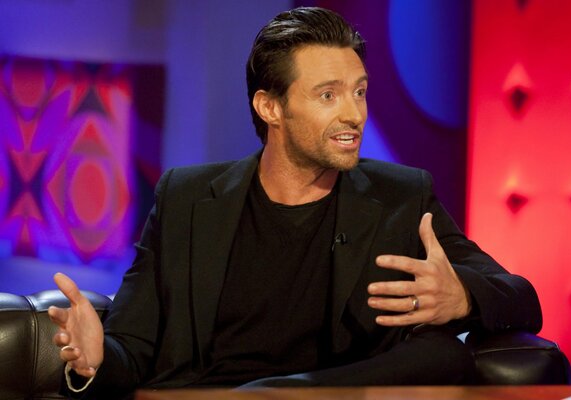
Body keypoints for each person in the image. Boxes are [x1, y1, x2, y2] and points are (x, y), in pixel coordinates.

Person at [48, 6, 542, 399]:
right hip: (206, 395)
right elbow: (132, 346)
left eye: (359, 92)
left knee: (440, 354)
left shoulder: (401, 196)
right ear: (270, 107)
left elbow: (521, 297)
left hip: (332, 398)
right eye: (328, 96)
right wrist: (95, 360)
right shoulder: (186, 198)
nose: (354, 114)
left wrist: (462, 297)